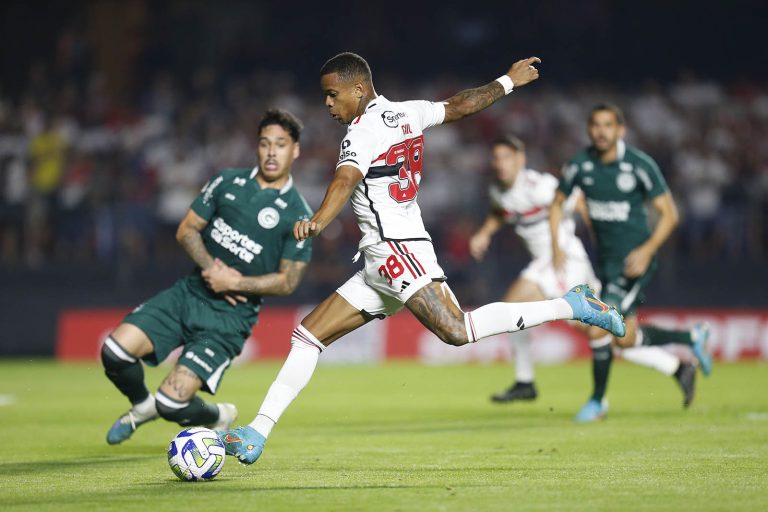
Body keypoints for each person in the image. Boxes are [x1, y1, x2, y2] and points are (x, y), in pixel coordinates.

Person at [219, 52, 625, 464]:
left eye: (332, 95)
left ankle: (572, 304)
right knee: (308, 335)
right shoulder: (406, 112)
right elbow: (459, 105)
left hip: (397, 249)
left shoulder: (362, 132)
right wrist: (506, 81)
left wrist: (319, 220)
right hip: (381, 258)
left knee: (456, 330)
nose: (327, 104)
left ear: (358, 90)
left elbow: (345, 178)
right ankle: (257, 431)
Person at [101, 109, 314, 444]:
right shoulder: (227, 181)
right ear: (256, 147)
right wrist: (211, 268)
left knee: (172, 404)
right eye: (264, 143)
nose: (272, 152)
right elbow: (187, 230)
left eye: (281, 144)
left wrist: (236, 283)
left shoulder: (299, 213)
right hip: (189, 292)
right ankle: (142, 406)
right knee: (114, 352)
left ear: (295, 150)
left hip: (229, 319)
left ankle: (219, 415)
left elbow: (288, 281)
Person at [469, 135, 697, 407]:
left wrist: (599, 239)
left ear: (521, 159)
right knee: (599, 331)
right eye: (496, 158)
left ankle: (526, 381)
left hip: (564, 259)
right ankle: (676, 366)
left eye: (506, 157)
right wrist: (483, 233)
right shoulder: (499, 191)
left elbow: (578, 202)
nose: (500, 164)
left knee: (511, 307)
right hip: (550, 265)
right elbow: (502, 212)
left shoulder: (539, 186)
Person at [552, 103, 713, 422]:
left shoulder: (639, 165)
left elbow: (670, 215)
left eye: (608, 125)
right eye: (595, 125)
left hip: (633, 263)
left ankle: (597, 402)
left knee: (598, 326)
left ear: (620, 130)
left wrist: (648, 250)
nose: (601, 131)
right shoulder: (580, 165)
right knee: (624, 339)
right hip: (605, 263)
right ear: (589, 130)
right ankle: (689, 342)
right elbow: (558, 203)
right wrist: (557, 245)